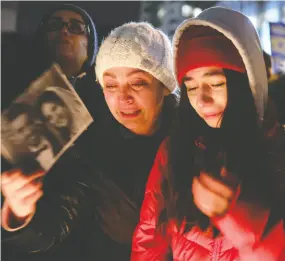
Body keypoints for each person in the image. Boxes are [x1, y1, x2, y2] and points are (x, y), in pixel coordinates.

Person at [1, 22, 179, 261]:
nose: (122, 97)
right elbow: (54, 229)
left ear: (165, 85)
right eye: (111, 85)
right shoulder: (89, 147)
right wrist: (19, 212)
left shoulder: (195, 144)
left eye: (137, 83)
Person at [131, 7, 285, 261]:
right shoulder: (175, 149)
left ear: (246, 83)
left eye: (215, 84)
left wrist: (239, 218)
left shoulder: (278, 151)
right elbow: (149, 239)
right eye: (190, 88)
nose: (201, 100)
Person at [2, 103, 61, 173]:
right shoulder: (23, 167)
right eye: (21, 130)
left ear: (36, 120)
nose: (29, 131)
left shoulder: (59, 135)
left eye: (29, 123)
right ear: (15, 139)